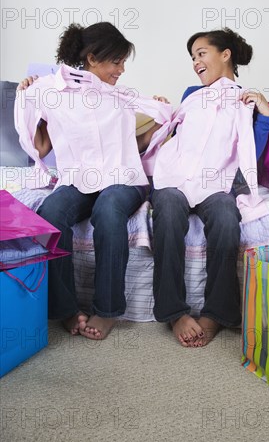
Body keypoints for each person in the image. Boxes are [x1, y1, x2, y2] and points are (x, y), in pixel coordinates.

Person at [15, 22, 173, 340]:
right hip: (78, 179)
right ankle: (66, 308)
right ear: (92, 58)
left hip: (123, 177)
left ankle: (108, 309)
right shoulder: (53, 93)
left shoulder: (121, 97)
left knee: (109, 209)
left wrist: (160, 120)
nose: (122, 69)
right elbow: (42, 148)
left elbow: (138, 146)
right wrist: (27, 99)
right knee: (50, 215)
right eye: (117, 61)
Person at [143, 28, 269, 347]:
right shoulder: (192, 94)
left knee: (227, 216)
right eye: (192, 57)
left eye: (201, 53)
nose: (195, 62)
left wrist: (264, 113)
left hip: (216, 183)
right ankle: (174, 312)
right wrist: (161, 111)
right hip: (175, 179)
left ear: (225, 54)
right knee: (170, 206)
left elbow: (250, 156)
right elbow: (174, 137)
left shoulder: (245, 100)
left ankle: (216, 313)